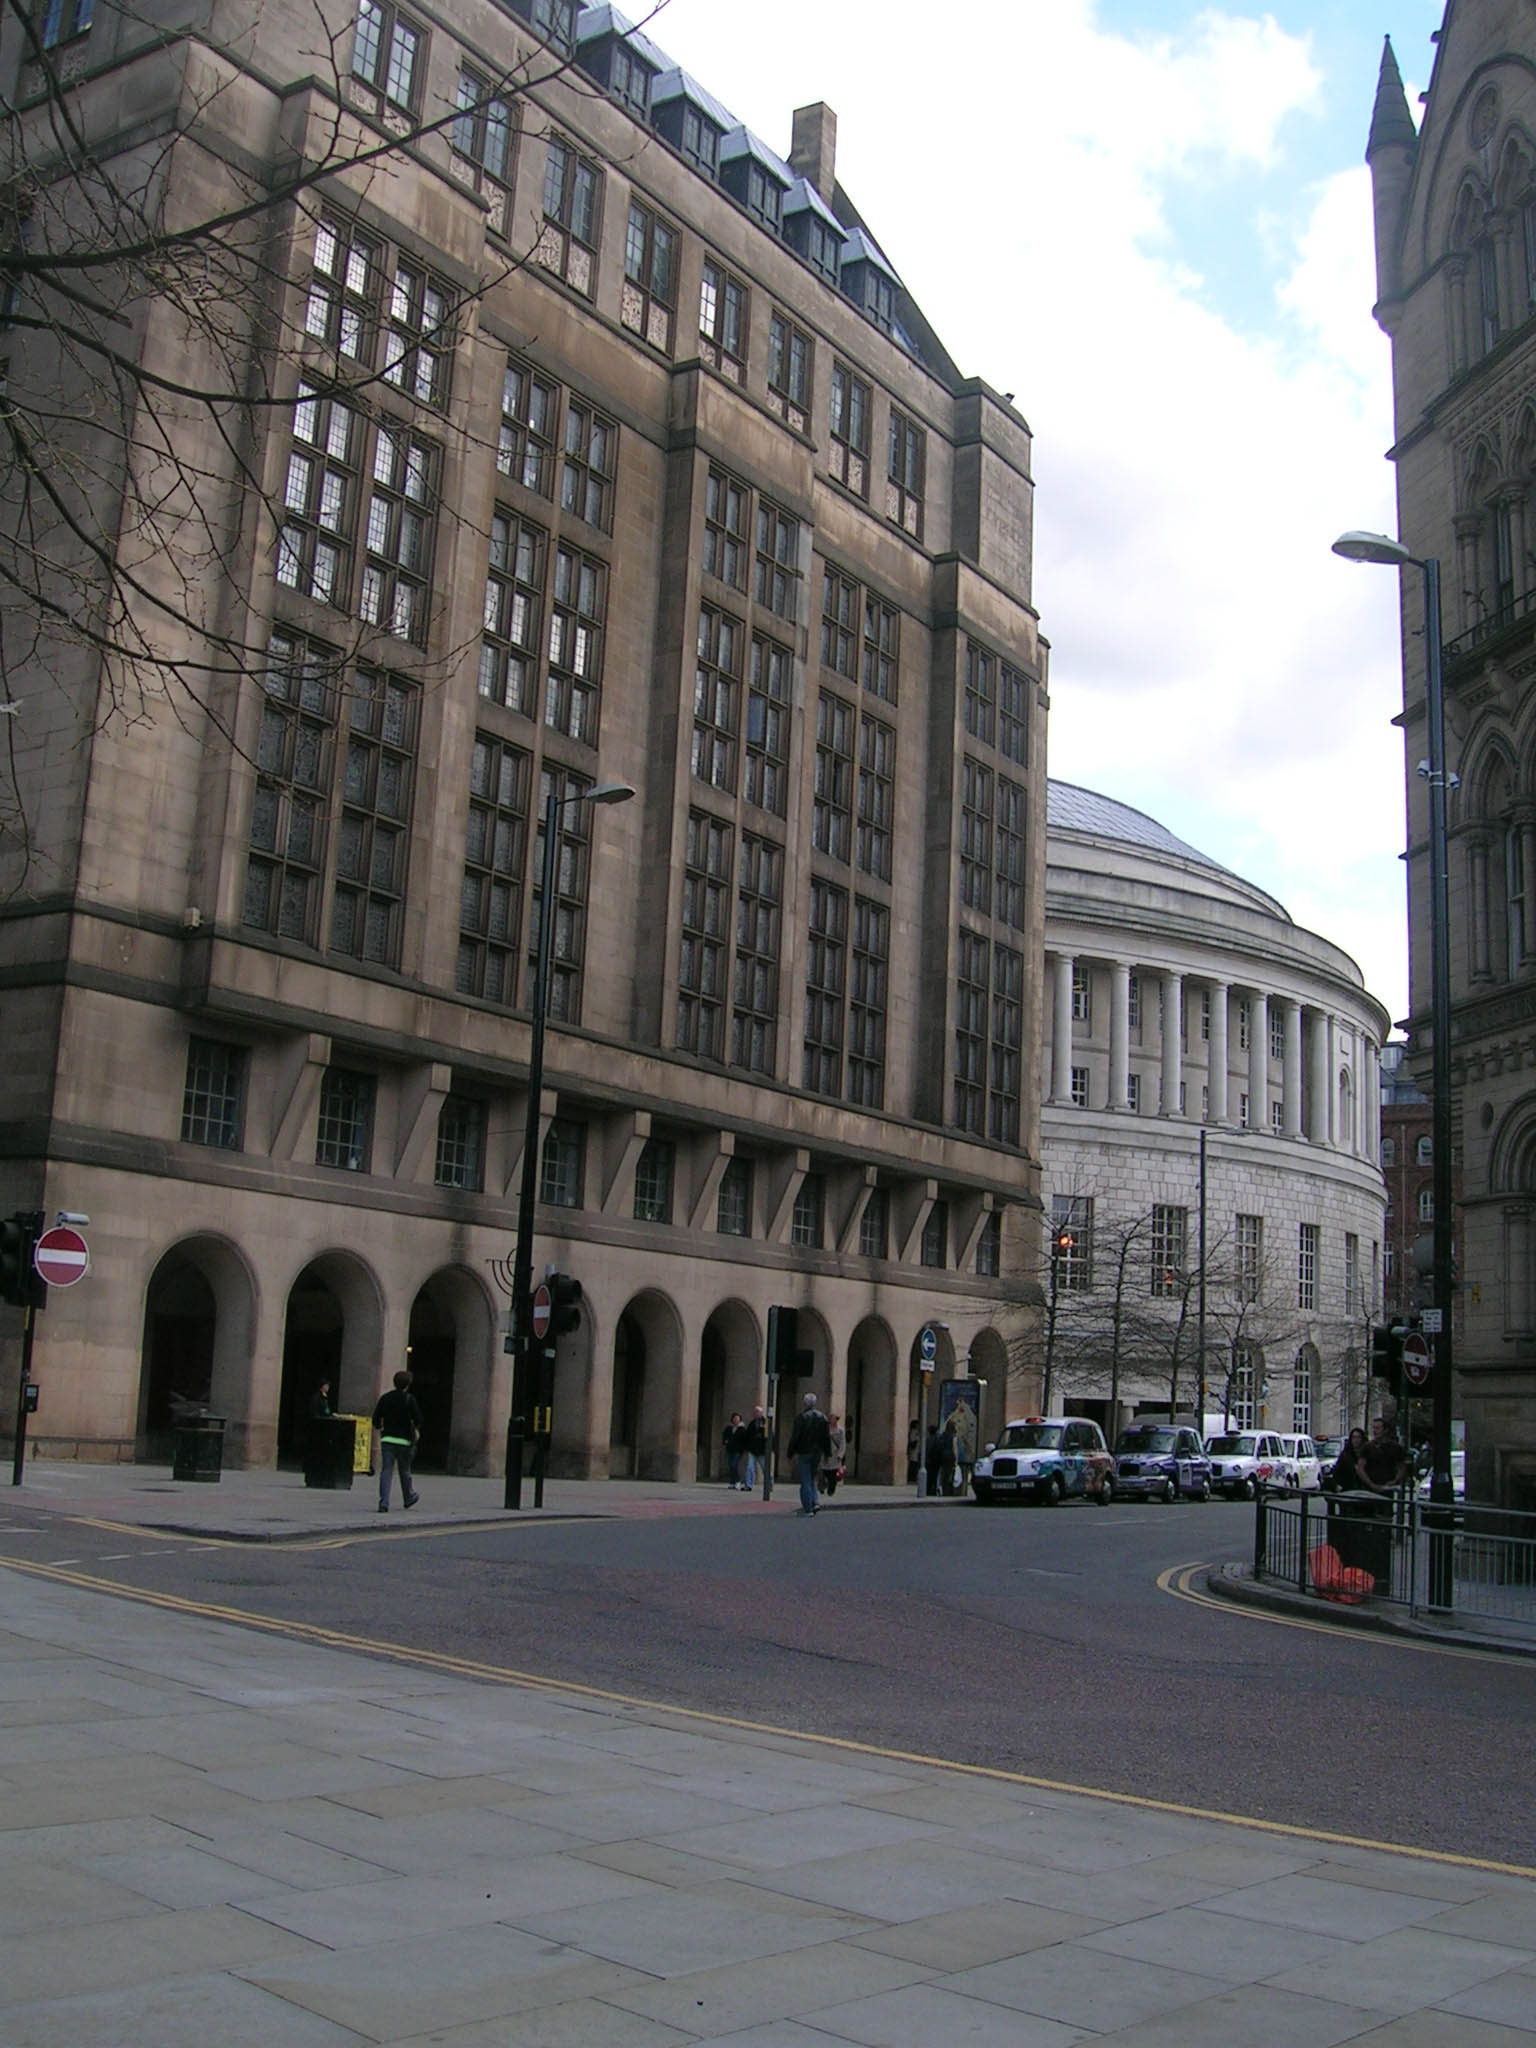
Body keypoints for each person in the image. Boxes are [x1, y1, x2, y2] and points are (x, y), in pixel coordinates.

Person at [372, 1369, 423, 1512]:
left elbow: (376, 1419)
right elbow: (419, 1419)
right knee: (404, 1470)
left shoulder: (385, 1398)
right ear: (407, 1385)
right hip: (404, 1441)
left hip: (387, 1440)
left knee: (386, 1471)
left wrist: (381, 1428)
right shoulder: (409, 1399)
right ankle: (408, 1497)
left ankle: (384, 1502)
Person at [786, 1392, 831, 1515]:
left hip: (804, 1452)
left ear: (805, 1403)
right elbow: (826, 1437)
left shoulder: (801, 1418)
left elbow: (795, 1437)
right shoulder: (823, 1418)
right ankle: (815, 1502)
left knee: (805, 1480)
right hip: (817, 1452)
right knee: (812, 1478)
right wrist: (827, 1453)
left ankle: (808, 1508)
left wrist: (790, 1453)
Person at [741, 1405, 767, 1492]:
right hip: (752, 1449)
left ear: (761, 1413)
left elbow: (769, 1436)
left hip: (762, 1450)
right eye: (755, 1412)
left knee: (765, 1468)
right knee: (750, 1467)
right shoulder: (752, 1423)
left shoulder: (765, 1423)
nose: (755, 1414)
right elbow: (747, 1436)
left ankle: (768, 1484)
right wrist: (746, 1447)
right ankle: (748, 1485)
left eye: (757, 1412)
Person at [820, 1412, 846, 1495]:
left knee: (833, 1474)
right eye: (831, 1418)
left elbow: (842, 1443)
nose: (832, 1420)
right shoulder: (825, 1429)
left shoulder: (840, 1430)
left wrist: (840, 1455)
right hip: (826, 1454)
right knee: (824, 1471)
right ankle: (823, 1485)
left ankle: (831, 1489)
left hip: (835, 1455)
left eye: (834, 1419)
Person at [923, 1423, 945, 1498]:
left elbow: (926, 1450)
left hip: (929, 1460)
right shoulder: (938, 1439)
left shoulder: (928, 1439)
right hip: (935, 1460)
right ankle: (933, 1489)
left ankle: (929, 1489)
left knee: (930, 1475)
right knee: (934, 1475)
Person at [722, 1411, 743, 1489]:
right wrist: (725, 1442)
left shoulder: (742, 1429)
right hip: (730, 1450)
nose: (736, 1420)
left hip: (737, 1451)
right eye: (734, 1418)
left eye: (737, 1419)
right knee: (730, 1466)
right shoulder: (729, 1428)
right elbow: (724, 1436)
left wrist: (741, 1449)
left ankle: (737, 1481)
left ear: (740, 1420)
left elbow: (743, 1440)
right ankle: (732, 1482)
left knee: (734, 1465)